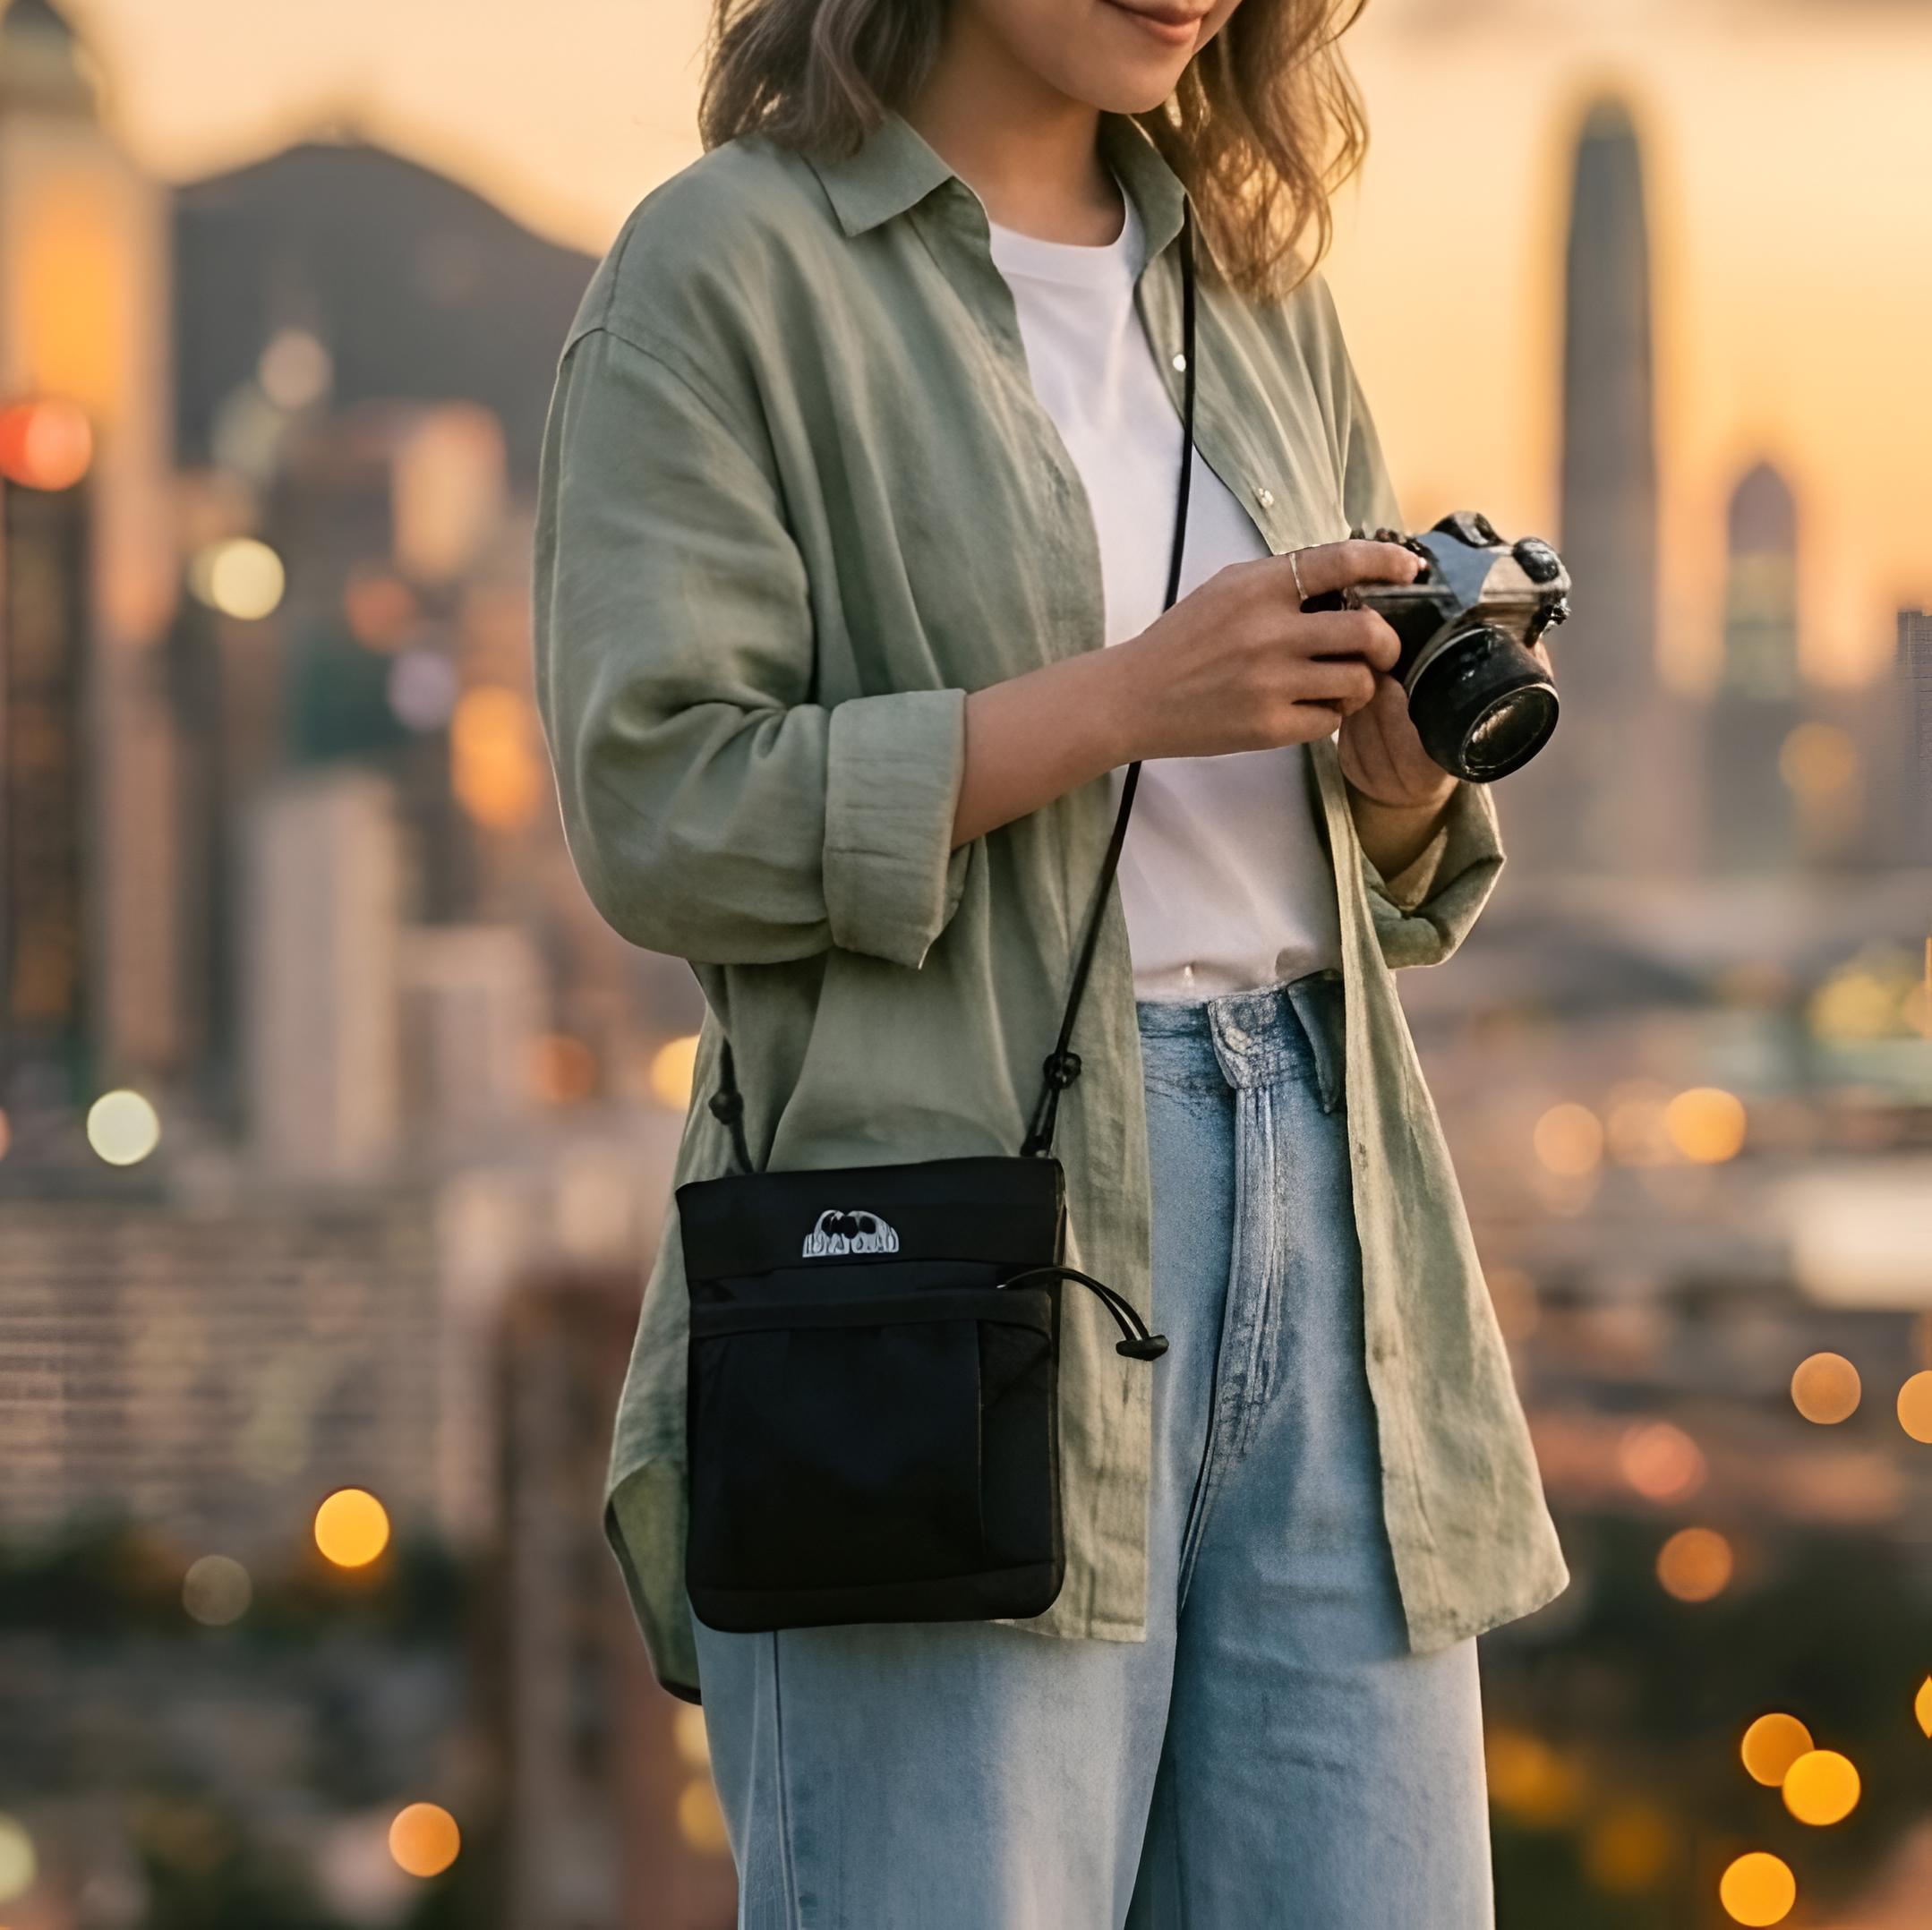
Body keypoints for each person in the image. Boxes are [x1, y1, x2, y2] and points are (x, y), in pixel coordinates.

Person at [533, 0, 1569, 1922]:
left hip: (1328, 1214)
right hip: (947, 1252)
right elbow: (660, 805)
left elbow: (1334, 855)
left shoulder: (1247, 287)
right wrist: (1115, 703)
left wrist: (1395, 780)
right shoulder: (727, 267)